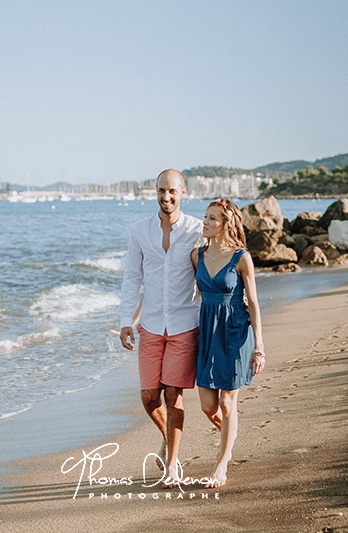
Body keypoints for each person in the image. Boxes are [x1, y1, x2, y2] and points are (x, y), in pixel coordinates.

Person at [119, 169, 203, 482]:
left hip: (184, 323)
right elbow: (132, 278)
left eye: (172, 191)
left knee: (173, 395)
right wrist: (126, 321)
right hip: (151, 324)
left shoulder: (196, 230)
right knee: (149, 397)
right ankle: (169, 440)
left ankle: (172, 464)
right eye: (161, 191)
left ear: (183, 193)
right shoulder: (140, 230)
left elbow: (208, 274)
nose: (166, 197)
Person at [191, 199, 265, 488]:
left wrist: (259, 347)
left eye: (212, 219)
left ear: (225, 224)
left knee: (226, 400)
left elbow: (255, 303)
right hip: (208, 331)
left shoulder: (241, 257)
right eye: (205, 217)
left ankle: (221, 464)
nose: (205, 223)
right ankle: (230, 436)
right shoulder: (197, 255)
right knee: (208, 406)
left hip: (235, 330)